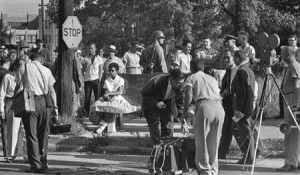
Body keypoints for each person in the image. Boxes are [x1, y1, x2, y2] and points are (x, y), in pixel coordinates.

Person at [14, 52, 58, 173]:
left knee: (31, 134)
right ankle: (44, 161)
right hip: (44, 102)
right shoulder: (46, 70)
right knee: (43, 133)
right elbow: (52, 90)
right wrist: (56, 107)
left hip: (30, 100)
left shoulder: (24, 67)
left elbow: (17, 84)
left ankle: (36, 164)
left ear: (31, 59)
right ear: (42, 59)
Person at [182, 58, 224, 175]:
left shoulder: (191, 77)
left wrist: (185, 112)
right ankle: (213, 169)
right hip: (219, 107)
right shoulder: (212, 78)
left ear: (191, 68)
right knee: (214, 140)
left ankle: (205, 169)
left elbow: (188, 95)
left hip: (204, 106)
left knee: (201, 141)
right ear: (203, 67)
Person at [89, 63, 140, 134]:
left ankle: (104, 125)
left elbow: (119, 91)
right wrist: (107, 96)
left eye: (113, 70)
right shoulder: (107, 80)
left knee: (112, 106)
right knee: (95, 105)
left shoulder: (120, 80)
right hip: (108, 97)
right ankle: (102, 122)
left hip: (117, 97)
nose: (111, 72)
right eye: (110, 70)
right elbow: (106, 91)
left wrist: (110, 94)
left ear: (117, 71)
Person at [141, 68, 185, 145]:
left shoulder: (180, 87)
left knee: (169, 128)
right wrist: (156, 103)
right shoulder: (157, 81)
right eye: (178, 83)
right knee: (155, 128)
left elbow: (180, 104)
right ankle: (156, 148)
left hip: (167, 105)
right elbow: (144, 93)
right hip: (152, 104)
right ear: (171, 79)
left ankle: (167, 149)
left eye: (181, 83)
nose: (180, 85)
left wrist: (183, 121)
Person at [276, 47, 300, 171]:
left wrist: (295, 107)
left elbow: (297, 86)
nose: (280, 55)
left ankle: (291, 162)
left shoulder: (294, 66)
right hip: (290, 102)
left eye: (282, 53)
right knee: (293, 133)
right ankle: (295, 160)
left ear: (288, 54)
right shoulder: (289, 66)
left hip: (292, 103)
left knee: (291, 133)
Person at [231, 50, 257, 164]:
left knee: (245, 131)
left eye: (233, 58)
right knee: (235, 127)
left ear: (237, 58)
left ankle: (250, 157)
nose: (233, 60)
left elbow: (241, 92)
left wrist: (238, 109)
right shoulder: (249, 70)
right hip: (247, 107)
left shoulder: (241, 71)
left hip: (242, 109)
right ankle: (250, 153)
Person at [0, 54, 26, 163]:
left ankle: (21, 152)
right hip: (11, 102)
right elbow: (2, 93)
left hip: (24, 102)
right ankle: (10, 154)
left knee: (23, 130)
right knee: (12, 129)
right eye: (22, 67)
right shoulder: (8, 77)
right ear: (16, 67)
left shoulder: (25, 78)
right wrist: (1, 109)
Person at [218, 50, 238, 159]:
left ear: (233, 58)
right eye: (224, 58)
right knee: (227, 129)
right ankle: (221, 153)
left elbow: (230, 89)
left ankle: (255, 151)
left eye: (228, 57)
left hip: (234, 106)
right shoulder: (228, 70)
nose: (226, 60)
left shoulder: (234, 70)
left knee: (239, 128)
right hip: (228, 106)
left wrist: (220, 96)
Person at [276, 34, 299, 119]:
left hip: (294, 75)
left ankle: (293, 113)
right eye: (289, 40)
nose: (290, 42)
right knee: (282, 92)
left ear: (296, 41)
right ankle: (282, 112)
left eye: (292, 40)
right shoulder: (285, 49)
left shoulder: (298, 51)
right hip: (286, 74)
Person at [81, 43, 104, 115]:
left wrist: (99, 79)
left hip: (96, 79)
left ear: (95, 49)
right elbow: (83, 70)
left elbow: (101, 69)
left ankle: (97, 112)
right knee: (87, 97)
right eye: (89, 48)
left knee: (97, 97)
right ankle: (86, 112)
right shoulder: (86, 58)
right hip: (88, 79)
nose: (90, 50)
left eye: (92, 48)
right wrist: (85, 65)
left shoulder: (99, 58)